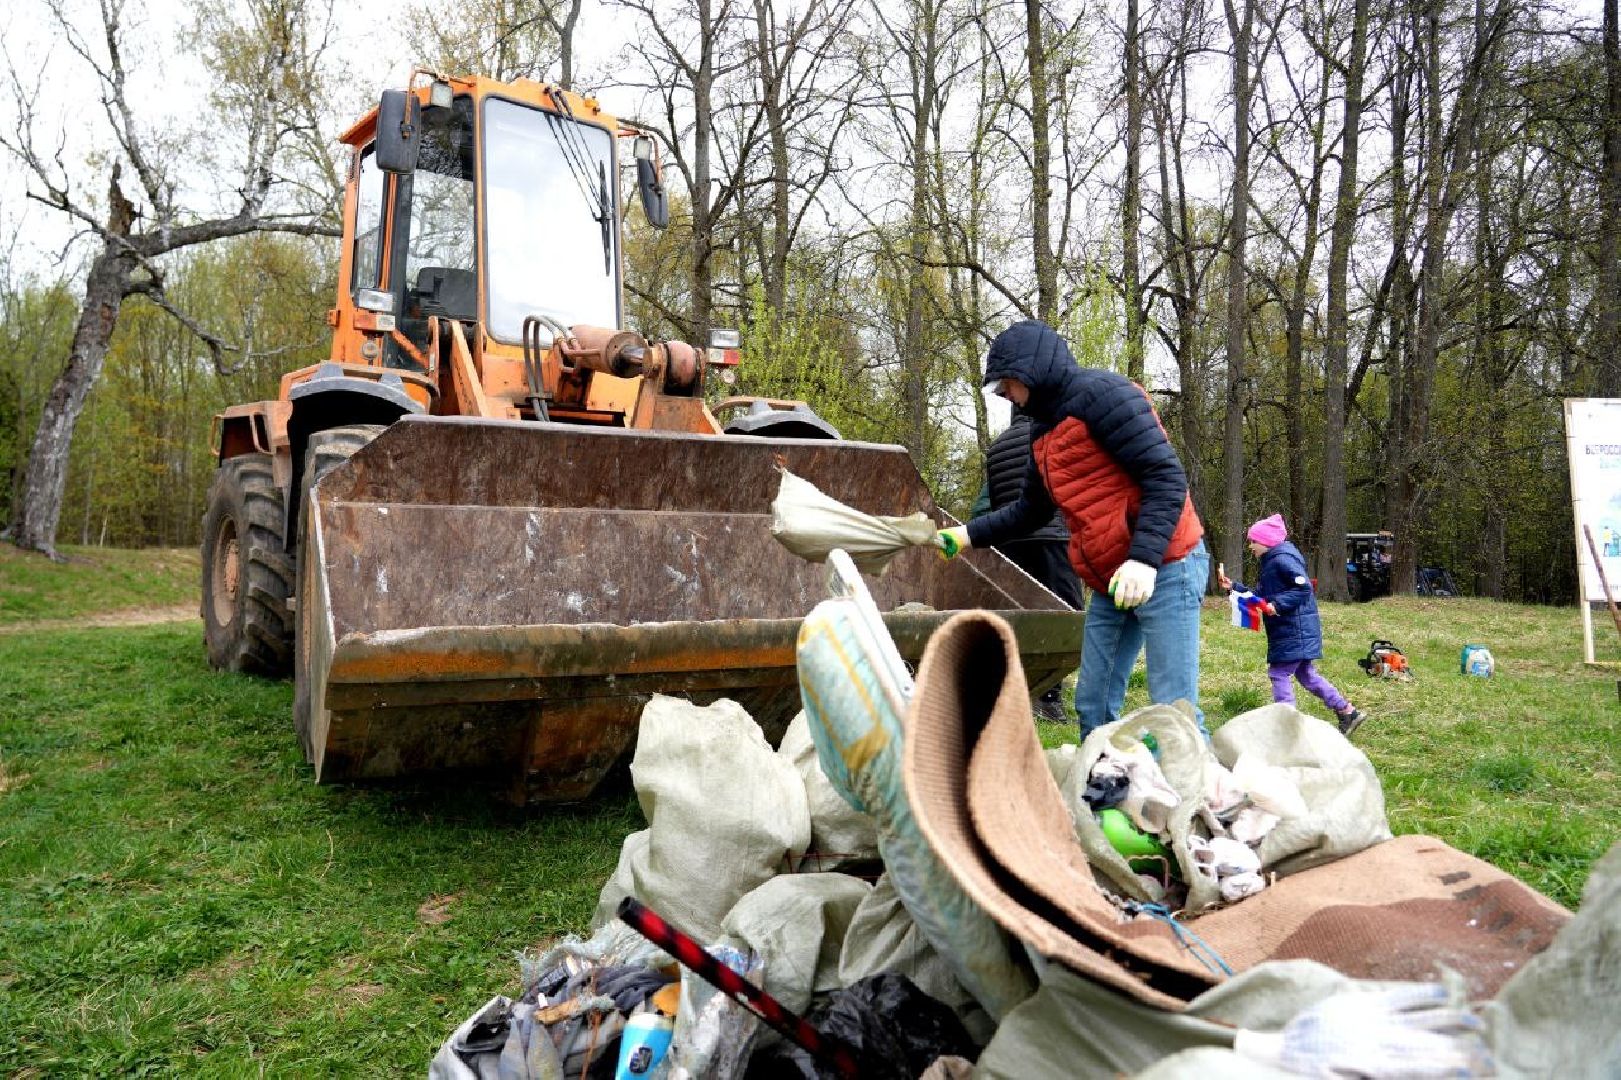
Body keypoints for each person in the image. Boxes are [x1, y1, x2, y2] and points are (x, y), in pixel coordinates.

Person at [938, 320, 1210, 738]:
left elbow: (1164, 477)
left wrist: (1143, 560)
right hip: (1109, 578)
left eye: (1005, 383)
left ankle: (1199, 801)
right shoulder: (1042, 432)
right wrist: (967, 534)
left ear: (1031, 370)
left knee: (1173, 708)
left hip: (1166, 565)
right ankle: (1103, 793)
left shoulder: (1106, 395)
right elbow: (1029, 511)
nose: (1003, 394)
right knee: (1093, 704)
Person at [971, 405, 1085, 723]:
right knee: (1067, 618)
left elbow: (993, 500)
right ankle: (1050, 698)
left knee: (1024, 618)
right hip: (1054, 539)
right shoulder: (1054, 434)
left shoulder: (999, 445)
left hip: (1011, 544)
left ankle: (1022, 695)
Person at [1217, 513, 1367, 738]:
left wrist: (1277, 605)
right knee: (1307, 675)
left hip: (1293, 629)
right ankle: (1348, 712)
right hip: (1292, 629)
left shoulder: (1281, 559)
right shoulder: (1271, 562)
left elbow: (1303, 588)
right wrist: (1234, 587)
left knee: (1278, 673)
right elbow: (1260, 595)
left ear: (1266, 541)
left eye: (1252, 541)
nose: (1250, 546)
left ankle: (1286, 725)